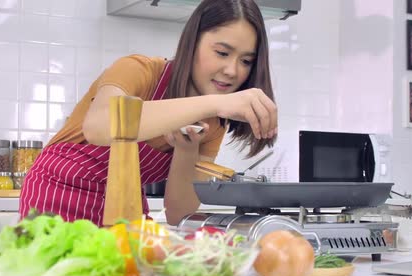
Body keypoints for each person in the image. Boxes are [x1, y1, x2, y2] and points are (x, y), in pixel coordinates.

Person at [19, 0, 278, 226]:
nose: (233, 71)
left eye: (246, 61)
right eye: (222, 52)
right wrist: (212, 104)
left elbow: (179, 213)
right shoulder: (139, 71)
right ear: (193, 41)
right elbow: (100, 126)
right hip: (57, 196)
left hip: (126, 208)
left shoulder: (212, 125)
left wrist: (187, 151)